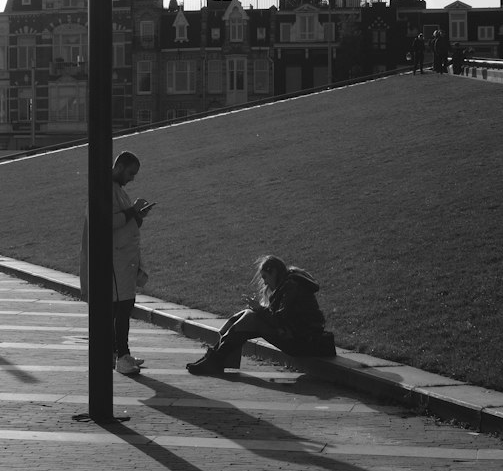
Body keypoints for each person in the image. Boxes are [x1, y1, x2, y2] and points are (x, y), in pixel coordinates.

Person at [186, 254, 335, 376]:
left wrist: (259, 309)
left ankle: (214, 362)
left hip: (303, 341)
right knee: (247, 314)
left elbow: (280, 319)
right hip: (297, 335)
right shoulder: (288, 283)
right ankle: (214, 360)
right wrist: (256, 310)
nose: (264, 282)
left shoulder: (291, 286)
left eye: (265, 277)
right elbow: (280, 319)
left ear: (274, 272)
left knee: (251, 317)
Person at [80, 150, 155, 376]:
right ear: (120, 167)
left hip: (123, 260)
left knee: (123, 307)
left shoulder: (117, 191)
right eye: (131, 173)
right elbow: (106, 223)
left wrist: (137, 215)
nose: (132, 178)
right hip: (113, 261)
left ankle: (120, 353)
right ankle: (121, 354)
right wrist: (133, 211)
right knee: (121, 308)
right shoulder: (105, 190)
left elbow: (124, 223)